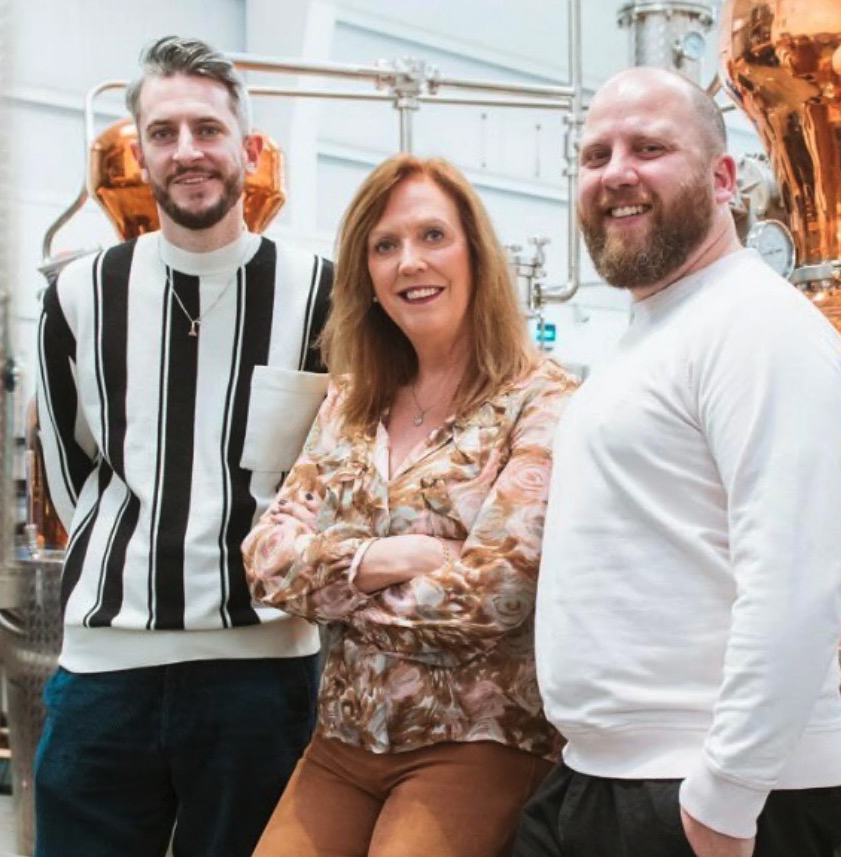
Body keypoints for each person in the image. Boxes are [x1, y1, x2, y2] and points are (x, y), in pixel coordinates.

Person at [515, 67, 841, 857]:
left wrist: (725, 797)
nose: (615, 172)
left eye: (649, 147)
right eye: (594, 155)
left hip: (710, 788)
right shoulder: (652, 335)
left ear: (724, 177)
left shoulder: (757, 325)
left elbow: (797, 577)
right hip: (607, 775)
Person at [34, 35, 332, 857]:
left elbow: (337, 471)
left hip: (261, 670)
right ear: (141, 150)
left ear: (248, 148)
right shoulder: (80, 294)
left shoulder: (319, 292)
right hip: (105, 668)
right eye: (163, 133)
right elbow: (73, 473)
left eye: (207, 130)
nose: (187, 151)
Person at [241, 154, 577, 857]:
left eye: (432, 236)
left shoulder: (539, 402)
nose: (409, 263)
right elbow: (264, 560)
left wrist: (327, 590)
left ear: (475, 254)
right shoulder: (350, 399)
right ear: (364, 275)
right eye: (384, 245)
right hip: (342, 735)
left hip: (476, 738)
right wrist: (376, 559)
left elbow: (492, 598)